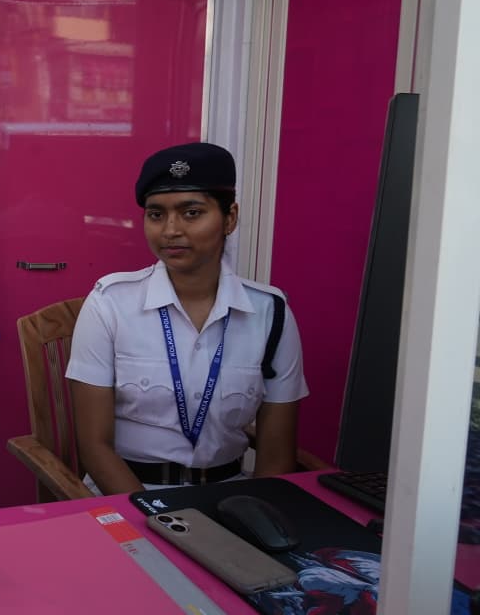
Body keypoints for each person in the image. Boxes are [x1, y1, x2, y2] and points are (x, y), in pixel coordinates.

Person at [66, 142, 308, 494]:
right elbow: (94, 447)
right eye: (156, 214)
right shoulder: (110, 304)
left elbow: (276, 455)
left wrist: (253, 514)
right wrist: (153, 515)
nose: (170, 230)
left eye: (191, 213)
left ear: (230, 218)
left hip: (228, 495)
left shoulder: (272, 314)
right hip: (127, 495)